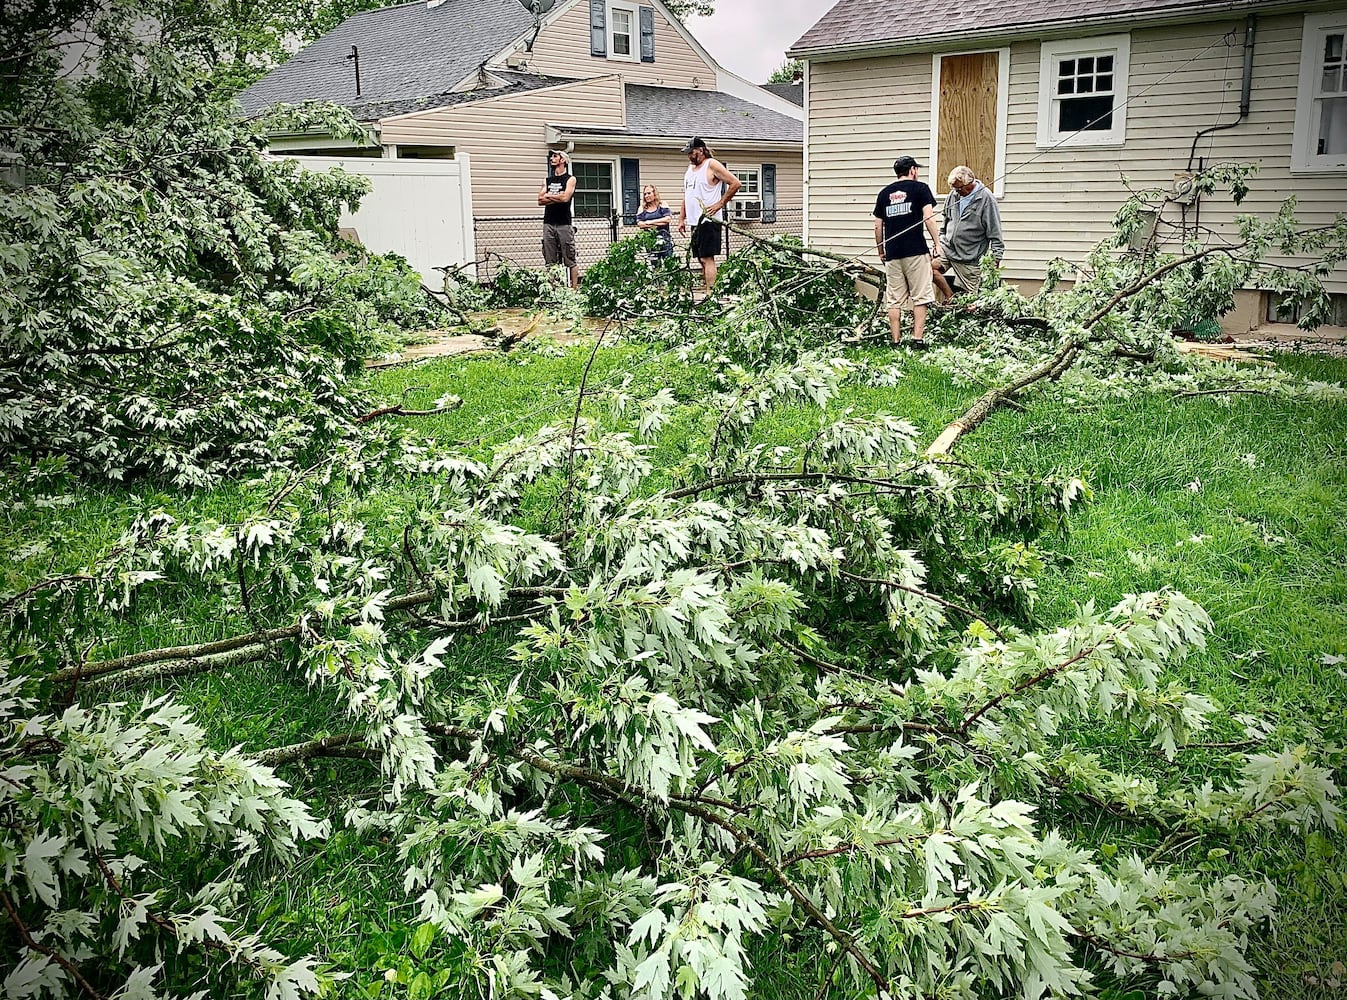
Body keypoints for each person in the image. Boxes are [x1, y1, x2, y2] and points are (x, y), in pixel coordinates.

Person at [873, 155, 941, 348]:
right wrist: (937, 243)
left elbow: (878, 226)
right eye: (916, 169)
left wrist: (881, 250)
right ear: (912, 170)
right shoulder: (921, 189)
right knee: (921, 296)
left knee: (894, 299)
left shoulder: (884, 193)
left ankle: (896, 341)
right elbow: (929, 218)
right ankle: (917, 340)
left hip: (893, 253)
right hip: (916, 251)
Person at [677, 136, 740, 289]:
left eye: (692, 153)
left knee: (707, 258)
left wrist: (720, 204)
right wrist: (681, 218)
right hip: (694, 221)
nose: (690, 156)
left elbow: (735, 183)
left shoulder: (711, 165)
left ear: (701, 150)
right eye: (688, 154)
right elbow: (687, 195)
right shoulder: (690, 169)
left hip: (709, 220)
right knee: (699, 258)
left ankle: (711, 293)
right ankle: (707, 288)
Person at [937, 165, 1004, 294]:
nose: (956, 191)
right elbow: (945, 220)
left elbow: (995, 234)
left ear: (970, 182)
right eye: (954, 188)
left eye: (959, 188)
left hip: (969, 258)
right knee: (928, 269)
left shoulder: (986, 199)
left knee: (968, 300)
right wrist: (939, 241)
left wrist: (995, 263)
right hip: (948, 249)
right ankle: (949, 297)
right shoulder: (953, 195)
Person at [538, 148, 578, 288]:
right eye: (551, 157)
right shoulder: (547, 180)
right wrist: (557, 197)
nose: (552, 159)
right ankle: (554, 288)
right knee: (550, 259)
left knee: (569, 258)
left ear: (563, 160)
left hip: (564, 224)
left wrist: (549, 196)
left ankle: (574, 289)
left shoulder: (570, 179)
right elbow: (540, 200)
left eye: (555, 156)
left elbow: (566, 197)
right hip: (548, 223)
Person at [635, 183, 674, 261]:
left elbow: (667, 219)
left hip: (665, 239)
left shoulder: (662, 204)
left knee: (669, 262)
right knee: (654, 264)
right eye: (645, 194)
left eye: (649, 193)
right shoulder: (642, 208)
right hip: (650, 242)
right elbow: (640, 224)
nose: (646, 196)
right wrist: (659, 223)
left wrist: (649, 222)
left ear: (654, 193)